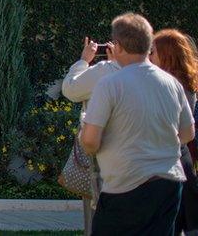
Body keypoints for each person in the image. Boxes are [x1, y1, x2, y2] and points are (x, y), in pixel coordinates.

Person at [81, 13, 195, 235]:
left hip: (125, 184)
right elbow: (188, 133)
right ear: (148, 45)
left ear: (119, 46)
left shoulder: (110, 84)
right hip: (168, 183)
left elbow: (90, 141)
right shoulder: (172, 83)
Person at [60, 36, 120, 235]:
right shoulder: (156, 75)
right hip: (141, 159)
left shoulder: (106, 70)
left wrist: (84, 60)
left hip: (103, 153)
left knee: (97, 214)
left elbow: (70, 89)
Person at [151, 28, 198, 234]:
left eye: (153, 52)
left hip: (171, 160)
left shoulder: (172, 86)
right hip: (181, 159)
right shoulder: (185, 82)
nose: (148, 56)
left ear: (166, 55)